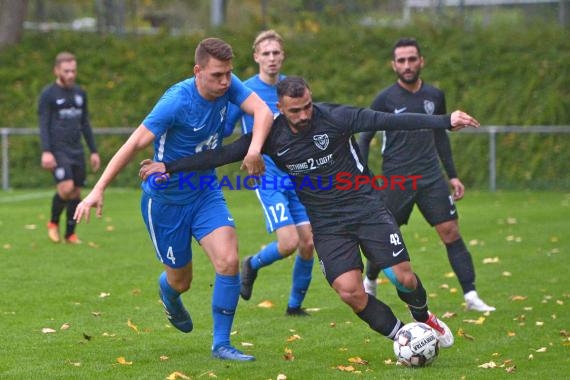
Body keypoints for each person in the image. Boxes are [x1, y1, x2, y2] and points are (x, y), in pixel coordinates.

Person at [139, 76, 481, 351]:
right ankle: (404, 339)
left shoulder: (335, 117)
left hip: (366, 207)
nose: (304, 115)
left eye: (307, 107)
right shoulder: (272, 135)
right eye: (295, 111)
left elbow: (389, 120)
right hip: (328, 224)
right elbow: (220, 155)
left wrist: (445, 121)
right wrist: (168, 165)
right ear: (280, 108)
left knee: (403, 277)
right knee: (350, 291)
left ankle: (423, 318)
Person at [73, 38, 274, 361]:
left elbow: (263, 112)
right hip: (165, 201)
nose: (225, 82)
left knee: (228, 261)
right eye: (216, 76)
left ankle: (221, 344)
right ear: (198, 71)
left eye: (228, 74)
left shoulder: (229, 85)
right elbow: (134, 143)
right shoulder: (176, 101)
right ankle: (169, 294)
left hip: (205, 189)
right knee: (182, 280)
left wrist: (253, 150)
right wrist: (98, 188)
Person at [358, 38, 495, 312]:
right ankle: (370, 280)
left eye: (412, 59)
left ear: (421, 61)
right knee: (386, 235)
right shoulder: (384, 99)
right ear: (393, 65)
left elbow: (441, 136)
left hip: (431, 177)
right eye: (401, 61)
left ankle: (471, 295)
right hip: (397, 178)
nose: (407, 65)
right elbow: (365, 138)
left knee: (451, 232)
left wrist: (452, 175)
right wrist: (364, 175)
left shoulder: (435, 95)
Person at [223, 30, 314, 316]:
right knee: (289, 243)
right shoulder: (245, 91)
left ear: (283, 55)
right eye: (266, 53)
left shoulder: (292, 89)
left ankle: (294, 306)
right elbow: (226, 128)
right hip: (268, 177)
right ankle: (252, 264)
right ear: (256, 57)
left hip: (297, 175)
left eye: (276, 53)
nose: (272, 58)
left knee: (309, 242)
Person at [39, 51, 101, 244]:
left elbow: (85, 123)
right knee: (66, 188)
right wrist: (46, 151)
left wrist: (93, 150)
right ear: (56, 70)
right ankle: (53, 223)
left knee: (75, 192)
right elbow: (44, 124)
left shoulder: (80, 93)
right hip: (58, 150)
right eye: (66, 71)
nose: (71, 75)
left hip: (77, 150)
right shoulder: (48, 95)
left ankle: (70, 234)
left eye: (73, 70)